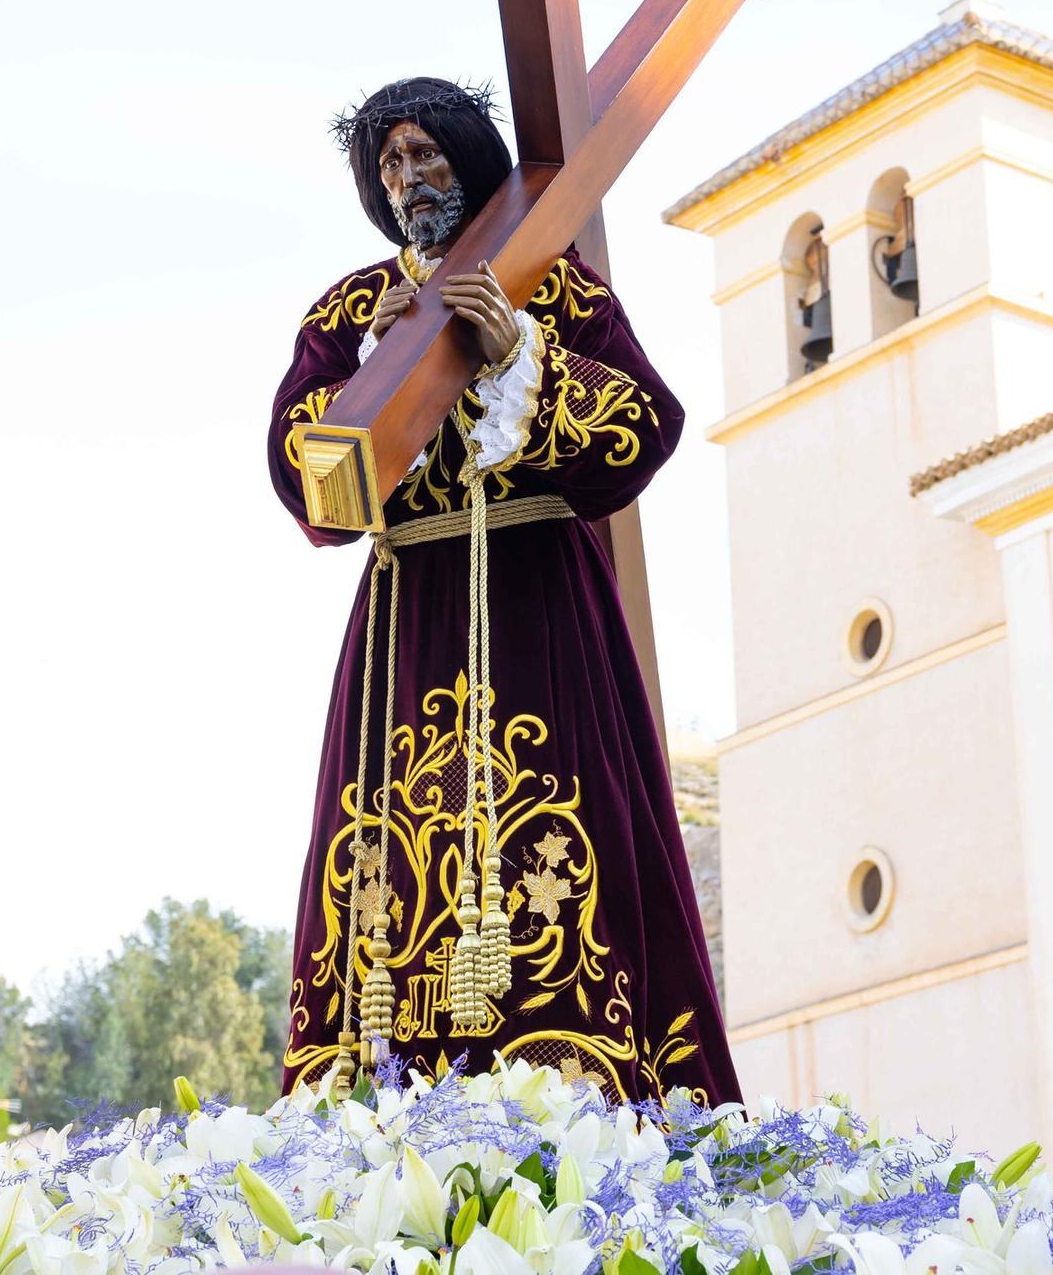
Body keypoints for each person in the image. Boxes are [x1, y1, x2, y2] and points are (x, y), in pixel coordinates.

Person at [268, 76, 740, 1107]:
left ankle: (584, 1101)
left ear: (468, 155)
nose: (409, 177)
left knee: (560, 835)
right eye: (390, 162)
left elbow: (646, 425)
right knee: (386, 859)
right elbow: (307, 486)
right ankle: (379, 1108)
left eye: (425, 152)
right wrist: (371, 367)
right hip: (404, 615)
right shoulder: (349, 311)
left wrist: (521, 355)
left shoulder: (549, 284)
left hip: (538, 612)